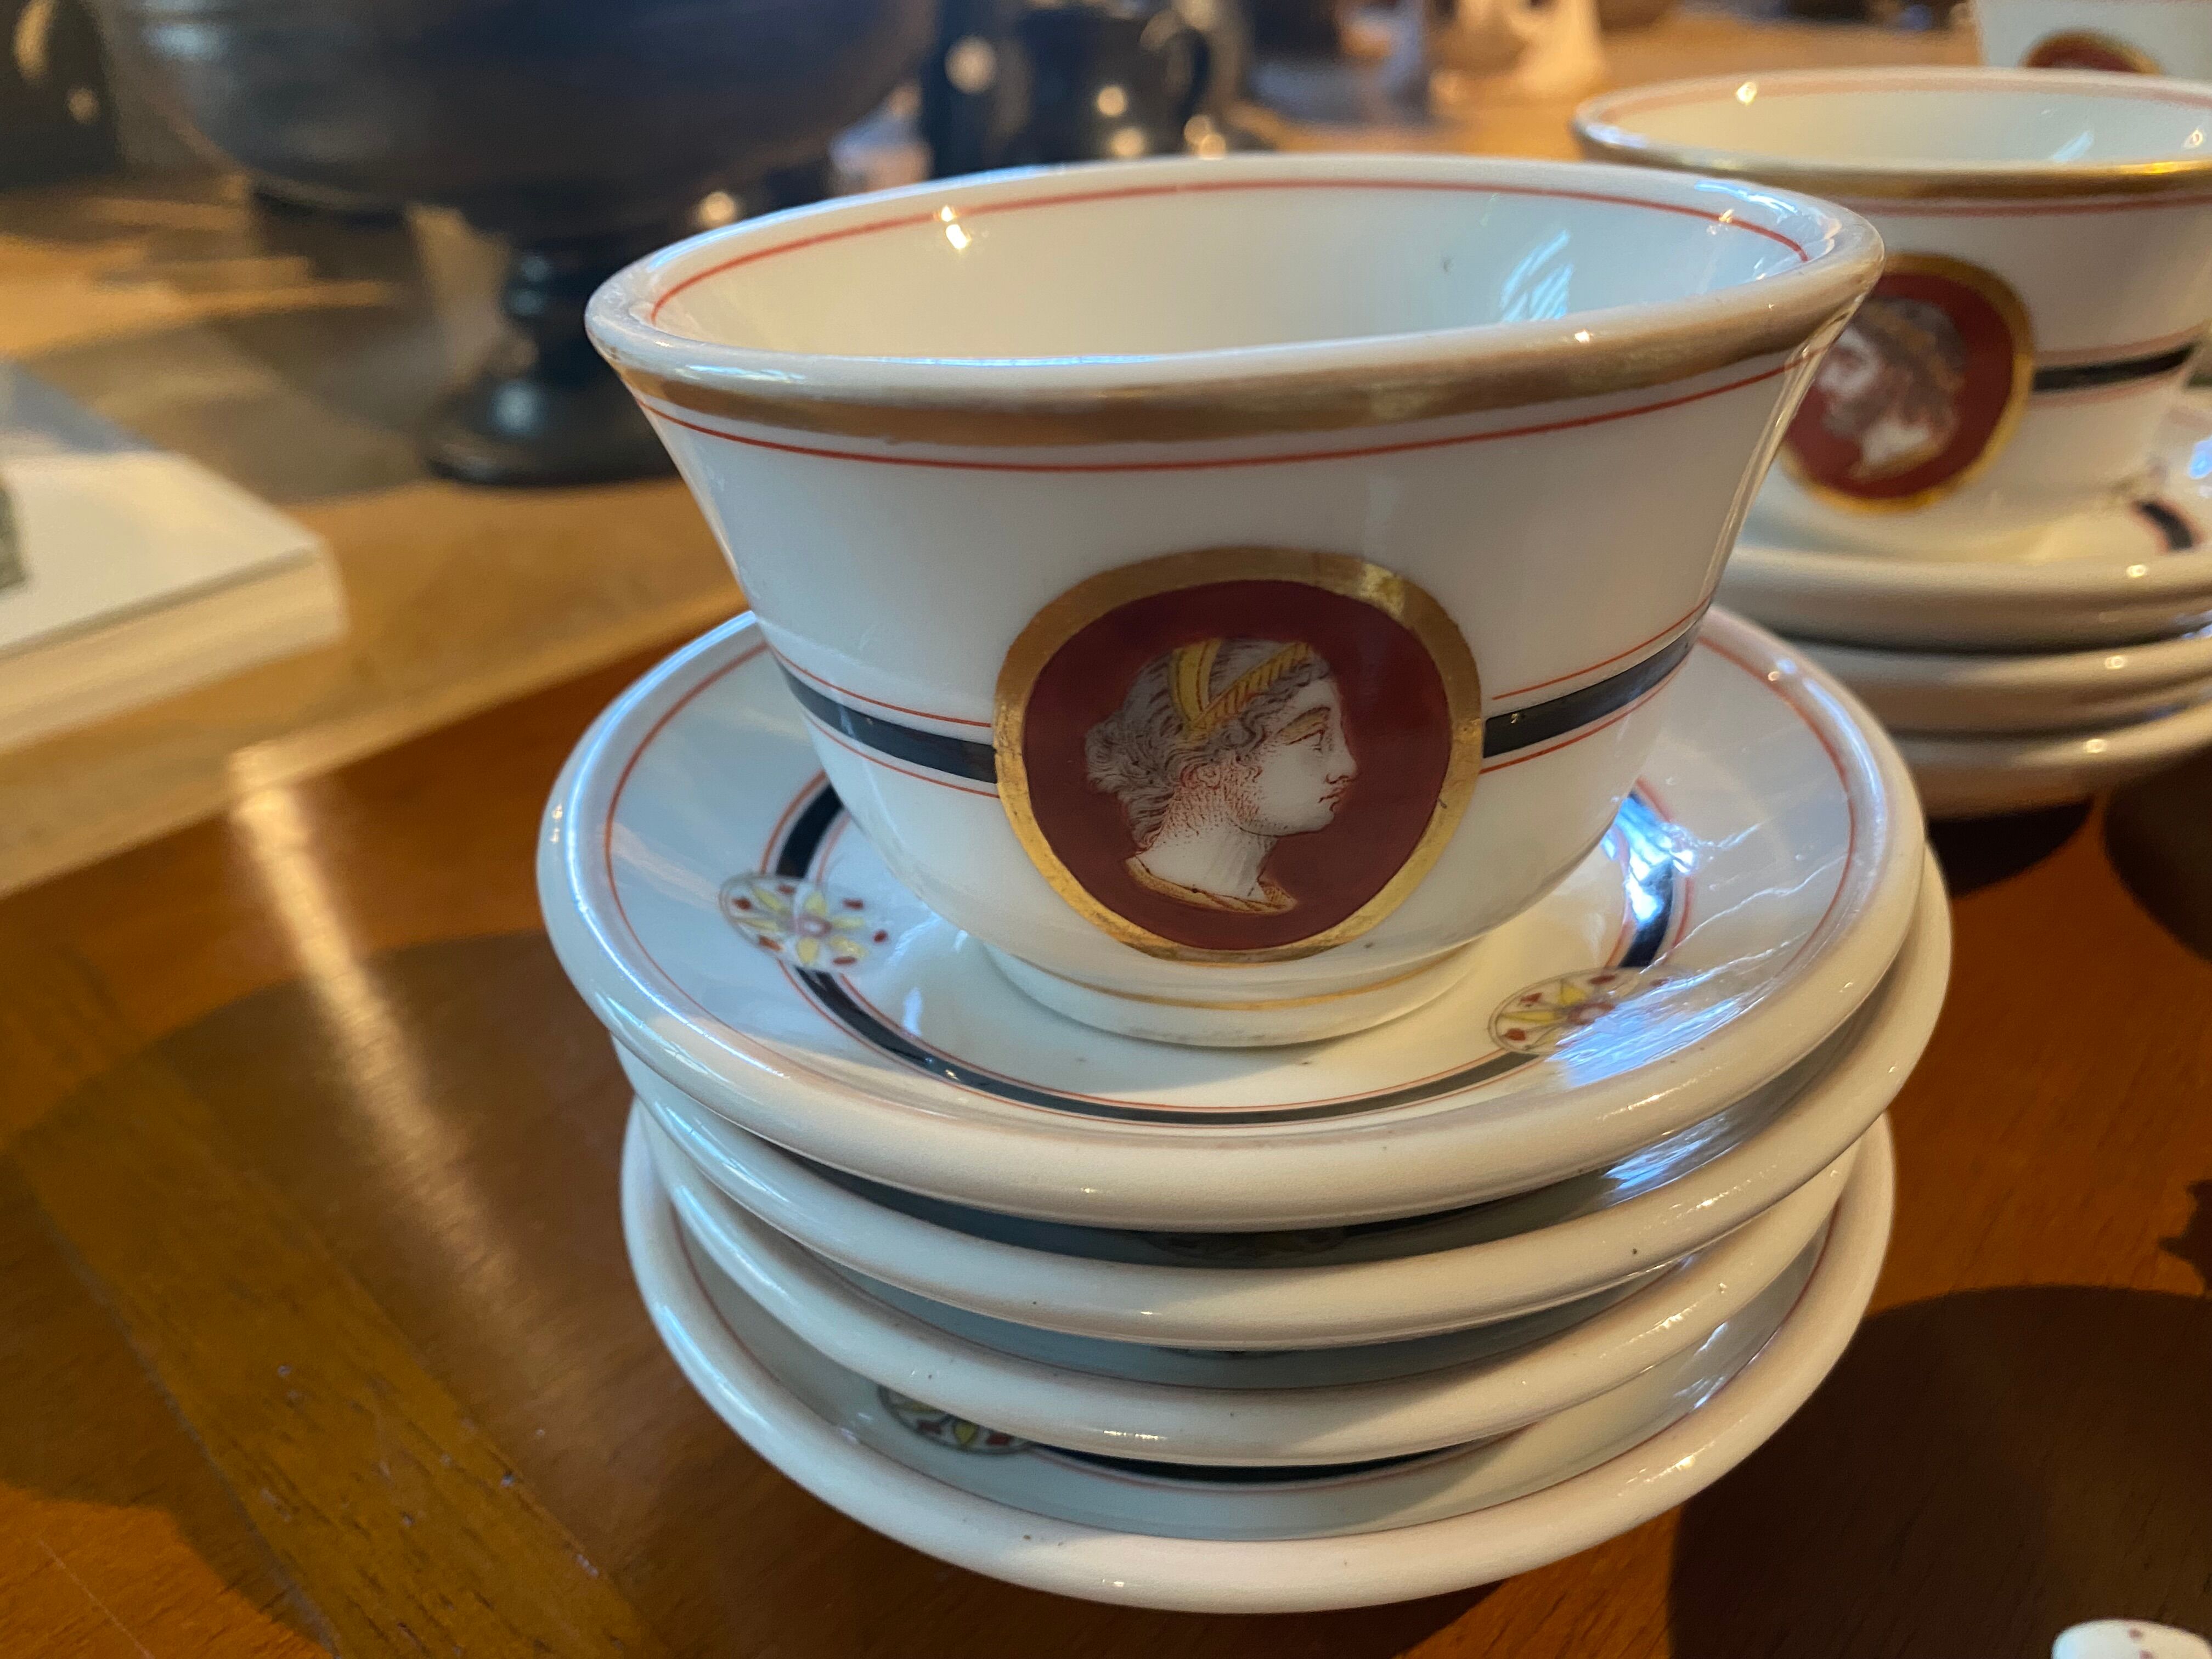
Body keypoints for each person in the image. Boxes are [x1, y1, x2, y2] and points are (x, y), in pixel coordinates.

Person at [1084, 635, 1356, 913]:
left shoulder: (1281, 908)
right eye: (1315, 738)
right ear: (1203, 766)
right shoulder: (1117, 901)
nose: (1347, 766)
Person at [1810, 293, 1970, 483]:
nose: (1825, 383)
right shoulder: (1870, 460)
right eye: (1829, 362)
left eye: (1850, 366)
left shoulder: (1919, 454)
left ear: (1902, 377)